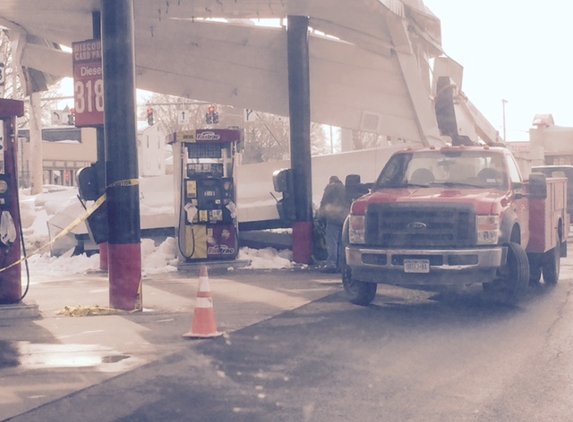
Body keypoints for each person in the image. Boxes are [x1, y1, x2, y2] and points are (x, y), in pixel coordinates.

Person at [317, 175, 350, 272]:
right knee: (343, 242)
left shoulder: (330, 188)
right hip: (344, 218)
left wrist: (320, 216)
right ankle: (342, 265)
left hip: (333, 218)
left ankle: (331, 264)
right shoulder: (345, 188)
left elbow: (324, 203)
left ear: (331, 181)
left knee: (332, 242)